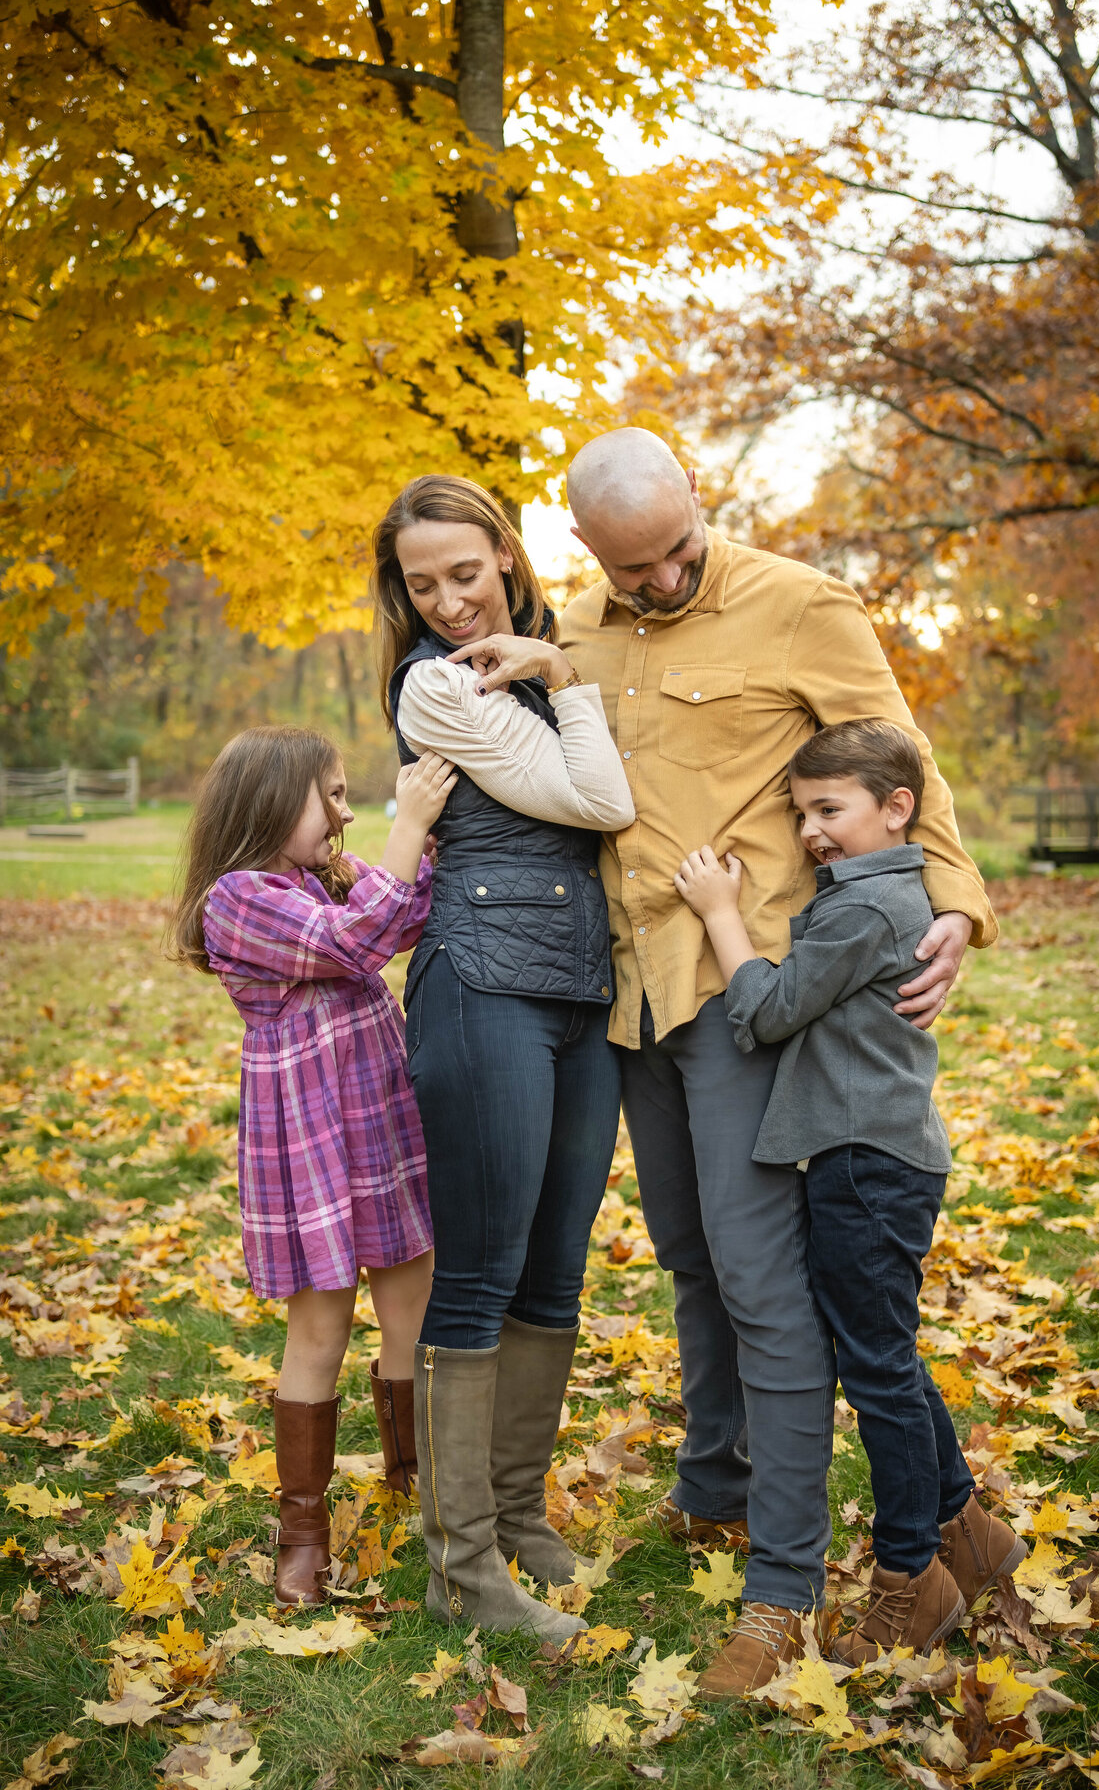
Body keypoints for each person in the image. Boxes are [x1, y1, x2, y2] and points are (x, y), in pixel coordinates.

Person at [553, 427, 999, 1698]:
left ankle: (785, 1592)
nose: (661, 583)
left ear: (701, 496)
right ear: (590, 552)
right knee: (693, 1261)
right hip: (630, 1000)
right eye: (631, 569)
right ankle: (716, 1488)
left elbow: (905, 767)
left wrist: (954, 908)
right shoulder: (576, 632)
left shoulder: (804, 605)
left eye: (676, 553)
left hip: (749, 1000)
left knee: (763, 1285)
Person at [675, 718, 1027, 1662]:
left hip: (866, 1163)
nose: (811, 832)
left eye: (829, 809)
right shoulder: (886, 896)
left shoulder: (861, 912)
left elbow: (771, 1012)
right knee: (885, 1355)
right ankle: (969, 1530)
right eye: (802, 814)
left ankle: (911, 1577)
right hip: (876, 1156)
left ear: (897, 808)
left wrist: (719, 913)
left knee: (877, 1371)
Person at [371, 474, 635, 1643]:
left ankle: (518, 1516)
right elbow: (599, 801)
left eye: (465, 574)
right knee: (479, 1273)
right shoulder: (434, 688)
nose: (448, 603)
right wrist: (565, 680)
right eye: (423, 585)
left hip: (580, 987)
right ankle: (462, 1564)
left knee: (555, 1270)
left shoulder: (529, 656)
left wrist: (552, 664)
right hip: (482, 991)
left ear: (505, 556)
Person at [168, 726, 454, 1607]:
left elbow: (402, 916)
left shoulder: (321, 878)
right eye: (327, 794)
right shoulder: (237, 898)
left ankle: (412, 1481)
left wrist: (434, 841)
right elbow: (352, 944)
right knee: (322, 1329)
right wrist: (405, 831)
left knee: (412, 1305)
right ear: (267, 799)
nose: (345, 809)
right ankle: (302, 1529)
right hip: (309, 1138)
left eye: (346, 795)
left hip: (381, 1122)